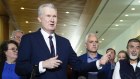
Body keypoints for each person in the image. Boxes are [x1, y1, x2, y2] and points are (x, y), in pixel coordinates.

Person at [15, 3, 111, 79]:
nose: (52, 19)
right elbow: (20, 68)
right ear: (39, 19)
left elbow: (78, 65)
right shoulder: (29, 39)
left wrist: (99, 63)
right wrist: (42, 65)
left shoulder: (64, 42)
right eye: (48, 16)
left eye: (54, 16)